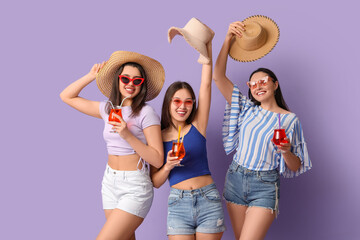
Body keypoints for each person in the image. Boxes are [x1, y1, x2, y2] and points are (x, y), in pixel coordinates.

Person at [213, 19, 312, 240]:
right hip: (236, 178)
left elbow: (295, 166)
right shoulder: (246, 108)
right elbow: (218, 76)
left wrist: (286, 152)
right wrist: (228, 38)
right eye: (253, 84)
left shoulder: (289, 120)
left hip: (265, 185)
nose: (258, 86)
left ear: (275, 84)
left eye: (263, 81)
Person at [60, 51, 165, 240]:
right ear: (117, 80)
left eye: (136, 81)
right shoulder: (107, 109)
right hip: (110, 182)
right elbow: (67, 96)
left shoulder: (146, 112)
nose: (130, 84)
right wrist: (91, 76)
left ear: (142, 85)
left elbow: (157, 158)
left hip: (135, 186)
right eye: (125, 79)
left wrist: (127, 135)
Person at [151, 35, 226, 239]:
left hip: (208, 199)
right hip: (178, 203)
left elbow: (206, 85)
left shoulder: (197, 126)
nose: (182, 107)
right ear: (168, 103)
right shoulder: (156, 135)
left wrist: (207, 47)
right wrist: (167, 165)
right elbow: (156, 182)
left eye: (188, 102)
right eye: (176, 101)